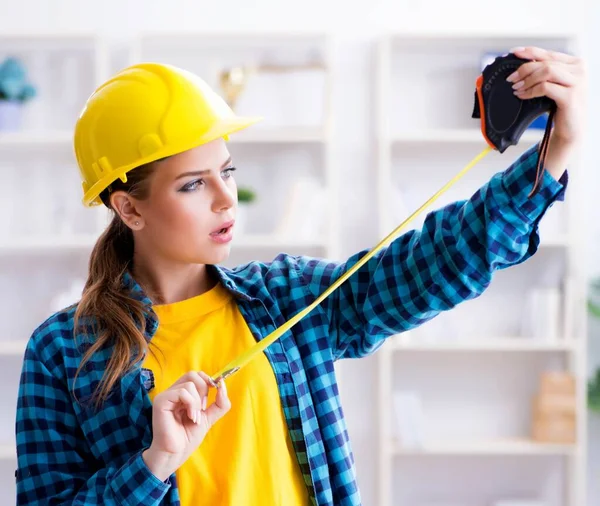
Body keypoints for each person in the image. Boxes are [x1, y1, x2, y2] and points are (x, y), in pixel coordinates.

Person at [15, 46, 586, 506]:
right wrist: (154, 462)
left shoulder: (283, 296)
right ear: (128, 208)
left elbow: (427, 266)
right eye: (193, 184)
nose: (226, 200)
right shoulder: (64, 352)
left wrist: (555, 153)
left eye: (227, 171)